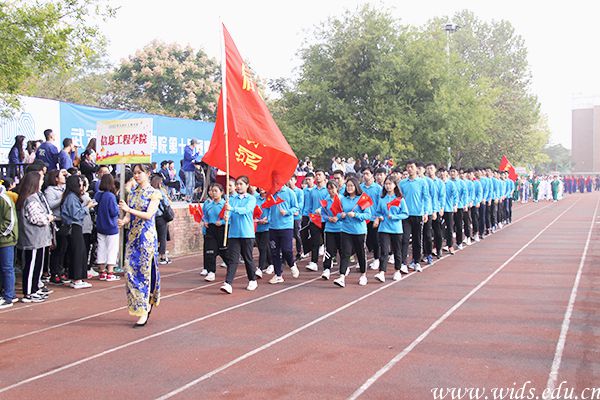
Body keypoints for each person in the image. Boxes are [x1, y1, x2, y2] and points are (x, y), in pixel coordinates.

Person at [118, 164, 162, 327]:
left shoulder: (154, 193)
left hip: (146, 238)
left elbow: (148, 215)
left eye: (139, 173)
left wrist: (129, 210)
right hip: (132, 237)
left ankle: (144, 308)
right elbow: (129, 215)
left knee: (144, 272)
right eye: (135, 173)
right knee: (130, 271)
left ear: (148, 174)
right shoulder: (133, 193)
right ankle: (138, 305)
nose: (136, 176)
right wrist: (124, 220)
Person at [16, 172, 54, 302]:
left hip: (38, 239)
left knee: (37, 265)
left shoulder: (33, 197)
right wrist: (48, 218)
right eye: (41, 180)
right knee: (31, 266)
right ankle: (29, 292)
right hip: (32, 238)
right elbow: (37, 219)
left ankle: (34, 289)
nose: (42, 182)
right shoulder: (30, 199)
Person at [220, 176, 258, 294]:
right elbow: (228, 214)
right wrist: (226, 216)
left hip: (247, 233)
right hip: (234, 234)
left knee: (248, 258)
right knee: (233, 259)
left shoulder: (251, 199)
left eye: (241, 184)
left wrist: (232, 209)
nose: (238, 186)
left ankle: (252, 279)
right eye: (237, 184)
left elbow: (246, 210)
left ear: (247, 185)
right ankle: (228, 283)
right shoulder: (231, 199)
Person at [333, 177, 371, 287]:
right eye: (347, 186)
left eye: (351, 186)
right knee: (345, 253)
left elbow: (368, 215)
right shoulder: (343, 199)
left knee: (360, 253)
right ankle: (341, 277)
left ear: (356, 186)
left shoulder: (362, 198)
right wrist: (341, 216)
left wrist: (356, 215)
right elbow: (338, 213)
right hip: (345, 230)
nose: (349, 188)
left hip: (359, 231)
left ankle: (363, 275)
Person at [61, 175, 94, 289]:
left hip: (74, 226)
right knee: (78, 252)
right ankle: (77, 279)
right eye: (80, 183)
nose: (82, 185)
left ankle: (75, 278)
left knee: (76, 252)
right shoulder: (71, 197)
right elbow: (76, 214)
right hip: (74, 226)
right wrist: (88, 207)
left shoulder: (71, 196)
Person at [374, 174, 408, 282]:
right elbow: (378, 212)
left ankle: (397, 270)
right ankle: (381, 272)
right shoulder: (382, 199)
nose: (388, 186)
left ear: (395, 185)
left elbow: (405, 214)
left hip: (396, 229)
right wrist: (379, 217)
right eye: (386, 184)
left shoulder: (399, 199)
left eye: (390, 184)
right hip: (384, 228)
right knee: (384, 251)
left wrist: (394, 216)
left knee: (397, 250)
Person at [399, 160, 429, 272]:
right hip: (405, 215)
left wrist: (426, 212)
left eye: (412, 167)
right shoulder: (402, 183)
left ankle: (416, 261)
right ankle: (403, 262)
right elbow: (399, 198)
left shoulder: (422, 182)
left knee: (417, 239)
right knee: (405, 239)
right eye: (408, 167)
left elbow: (426, 198)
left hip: (418, 214)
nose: (409, 169)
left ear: (416, 168)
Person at [267, 182, 300, 284]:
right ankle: (278, 275)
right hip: (273, 226)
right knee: (274, 252)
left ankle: (292, 264)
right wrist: (267, 218)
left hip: (286, 226)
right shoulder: (271, 193)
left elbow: (296, 208)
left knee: (286, 250)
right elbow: (267, 207)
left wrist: (287, 212)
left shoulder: (290, 193)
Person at [44, 169, 70, 285]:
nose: (64, 177)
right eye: (61, 176)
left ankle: (60, 271)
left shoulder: (64, 188)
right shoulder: (50, 190)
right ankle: (54, 273)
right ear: (55, 178)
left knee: (64, 248)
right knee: (57, 248)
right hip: (56, 221)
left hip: (64, 220)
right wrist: (62, 198)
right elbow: (50, 205)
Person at [94, 174, 120, 282]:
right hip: (111, 226)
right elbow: (114, 212)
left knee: (101, 248)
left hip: (100, 225)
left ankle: (102, 271)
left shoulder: (97, 195)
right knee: (112, 249)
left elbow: (95, 209)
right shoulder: (111, 196)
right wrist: (118, 208)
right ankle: (110, 272)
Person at [200, 183, 227, 282]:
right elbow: (205, 216)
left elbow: (230, 218)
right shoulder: (208, 204)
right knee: (210, 251)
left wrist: (222, 222)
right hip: (210, 229)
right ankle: (211, 272)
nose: (214, 193)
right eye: (212, 191)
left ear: (221, 192)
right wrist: (205, 221)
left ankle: (230, 264)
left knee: (223, 251)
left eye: (216, 191)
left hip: (221, 229)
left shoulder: (225, 205)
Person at [0, 182, 18, 308]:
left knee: (7, 268)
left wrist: (2, 233)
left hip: (6, 239)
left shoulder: (5, 198)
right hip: (4, 237)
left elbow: (10, 221)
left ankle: (9, 296)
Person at [360, 167, 382, 270]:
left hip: (374, 218)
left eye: (367, 174)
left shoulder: (378, 188)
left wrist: (377, 217)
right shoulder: (360, 187)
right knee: (365, 240)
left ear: (372, 175)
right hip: (363, 218)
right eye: (364, 174)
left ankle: (377, 259)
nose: (365, 176)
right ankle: (362, 260)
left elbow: (380, 204)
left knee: (375, 239)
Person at [307, 169, 328, 271]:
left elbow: (328, 203)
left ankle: (328, 261)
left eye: (319, 174)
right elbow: (310, 205)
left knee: (327, 242)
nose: (317, 176)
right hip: (314, 220)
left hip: (325, 219)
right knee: (314, 242)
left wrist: (321, 210)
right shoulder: (313, 191)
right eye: (316, 175)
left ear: (324, 177)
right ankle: (313, 262)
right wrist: (310, 216)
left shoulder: (327, 190)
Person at [321, 180, 342, 280]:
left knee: (342, 249)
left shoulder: (342, 199)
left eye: (332, 188)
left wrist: (338, 217)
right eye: (328, 189)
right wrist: (328, 218)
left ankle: (344, 267)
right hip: (329, 229)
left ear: (337, 188)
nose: (330, 191)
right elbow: (323, 213)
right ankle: (326, 269)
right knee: (328, 249)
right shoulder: (326, 200)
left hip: (341, 228)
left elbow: (345, 212)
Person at [151, 175, 172, 265]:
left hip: (152, 217)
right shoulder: (160, 192)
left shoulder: (150, 192)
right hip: (161, 217)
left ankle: (153, 255)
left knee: (154, 237)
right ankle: (162, 256)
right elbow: (166, 203)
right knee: (163, 237)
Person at [254, 188, 273, 276]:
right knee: (264, 247)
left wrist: (267, 219)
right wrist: (255, 219)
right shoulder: (255, 198)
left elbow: (273, 211)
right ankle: (271, 263)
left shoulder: (270, 198)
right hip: (257, 227)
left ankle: (260, 268)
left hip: (267, 227)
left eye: (263, 186)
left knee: (263, 247)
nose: (261, 188)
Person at [440, 168, 458, 255]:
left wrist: (455, 205)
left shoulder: (451, 184)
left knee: (450, 228)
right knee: (438, 228)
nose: (442, 174)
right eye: (440, 172)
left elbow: (455, 195)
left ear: (447, 173)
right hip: (439, 209)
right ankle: (437, 246)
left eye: (443, 172)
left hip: (448, 209)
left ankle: (450, 245)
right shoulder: (438, 183)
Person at [287, 175, 304, 260]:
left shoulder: (299, 192)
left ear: (295, 181)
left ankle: (299, 252)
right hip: (288, 217)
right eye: (288, 179)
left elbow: (300, 203)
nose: (289, 181)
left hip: (297, 217)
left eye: (291, 179)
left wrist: (296, 210)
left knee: (297, 234)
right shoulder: (287, 191)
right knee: (288, 236)